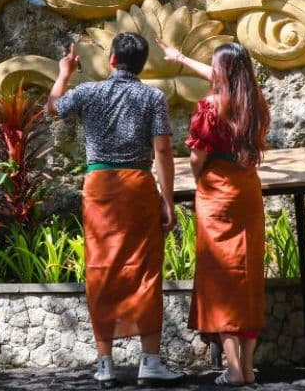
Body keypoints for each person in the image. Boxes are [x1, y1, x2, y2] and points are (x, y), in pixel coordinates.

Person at [48, 32, 184, 388]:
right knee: (145, 270)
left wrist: (64, 73)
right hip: (138, 187)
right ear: (142, 64)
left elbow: (53, 107)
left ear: (111, 60)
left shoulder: (88, 92)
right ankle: (150, 361)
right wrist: (168, 201)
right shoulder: (153, 97)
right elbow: (162, 152)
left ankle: (105, 363)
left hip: (101, 188)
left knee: (101, 269)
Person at [160, 41, 270, 386]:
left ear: (222, 72)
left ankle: (233, 369)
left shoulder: (210, 107)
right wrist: (181, 58)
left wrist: (199, 179)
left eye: (214, 65)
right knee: (247, 276)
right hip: (247, 191)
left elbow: (198, 157)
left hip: (217, 194)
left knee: (220, 278)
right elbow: (225, 79)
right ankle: (247, 367)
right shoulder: (255, 102)